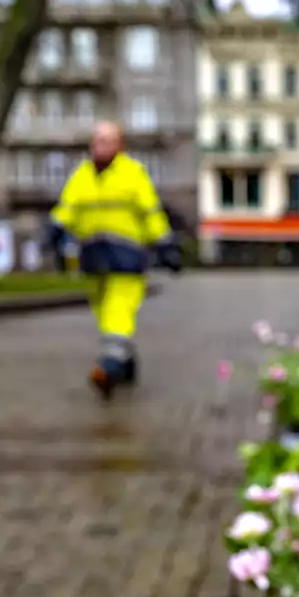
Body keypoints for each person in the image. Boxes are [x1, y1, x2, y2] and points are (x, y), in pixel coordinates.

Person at [48, 120, 181, 397]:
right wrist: (54, 229)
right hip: (93, 257)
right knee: (102, 309)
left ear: (120, 145)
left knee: (118, 308)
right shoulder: (82, 175)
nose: (100, 146)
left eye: (107, 140)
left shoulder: (132, 174)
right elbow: (68, 208)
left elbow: (150, 212)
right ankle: (125, 359)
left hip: (126, 256)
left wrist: (165, 244)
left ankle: (109, 365)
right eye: (96, 140)